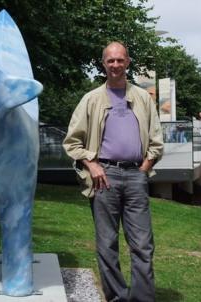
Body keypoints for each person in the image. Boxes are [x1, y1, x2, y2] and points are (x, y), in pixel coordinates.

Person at [63, 41, 163, 302]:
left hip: (135, 176)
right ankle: (117, 298)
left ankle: (142, 299)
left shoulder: (142, 97)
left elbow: (156, 140)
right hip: (103, 177)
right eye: (111, 60)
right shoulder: (91, 99)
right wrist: (92, 163)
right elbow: (72, 142)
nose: (116, 65)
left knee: (142, 244)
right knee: (107, 245)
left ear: (127, 62)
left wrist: (144, 168)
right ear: (103, 63)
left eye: (120, 60)